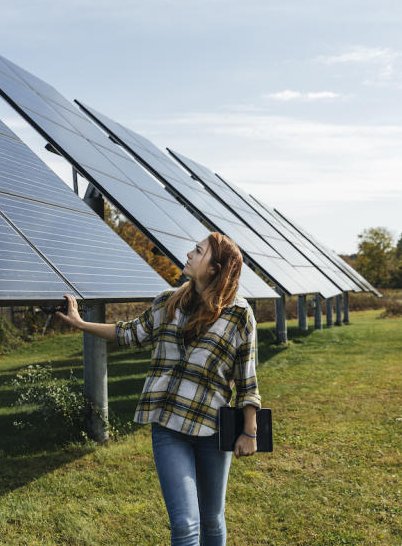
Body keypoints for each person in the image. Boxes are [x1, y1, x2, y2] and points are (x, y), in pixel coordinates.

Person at [57, 232, 261, 546]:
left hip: (212, 428)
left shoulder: (239, 315)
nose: (190, 254)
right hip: (168, 426)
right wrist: (82, 324)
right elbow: (130, 334)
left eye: (199, 251)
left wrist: (249, 432)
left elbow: (247, 381)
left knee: (211, 519)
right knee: (184, 524)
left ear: (215, 269)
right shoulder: (169, 301)